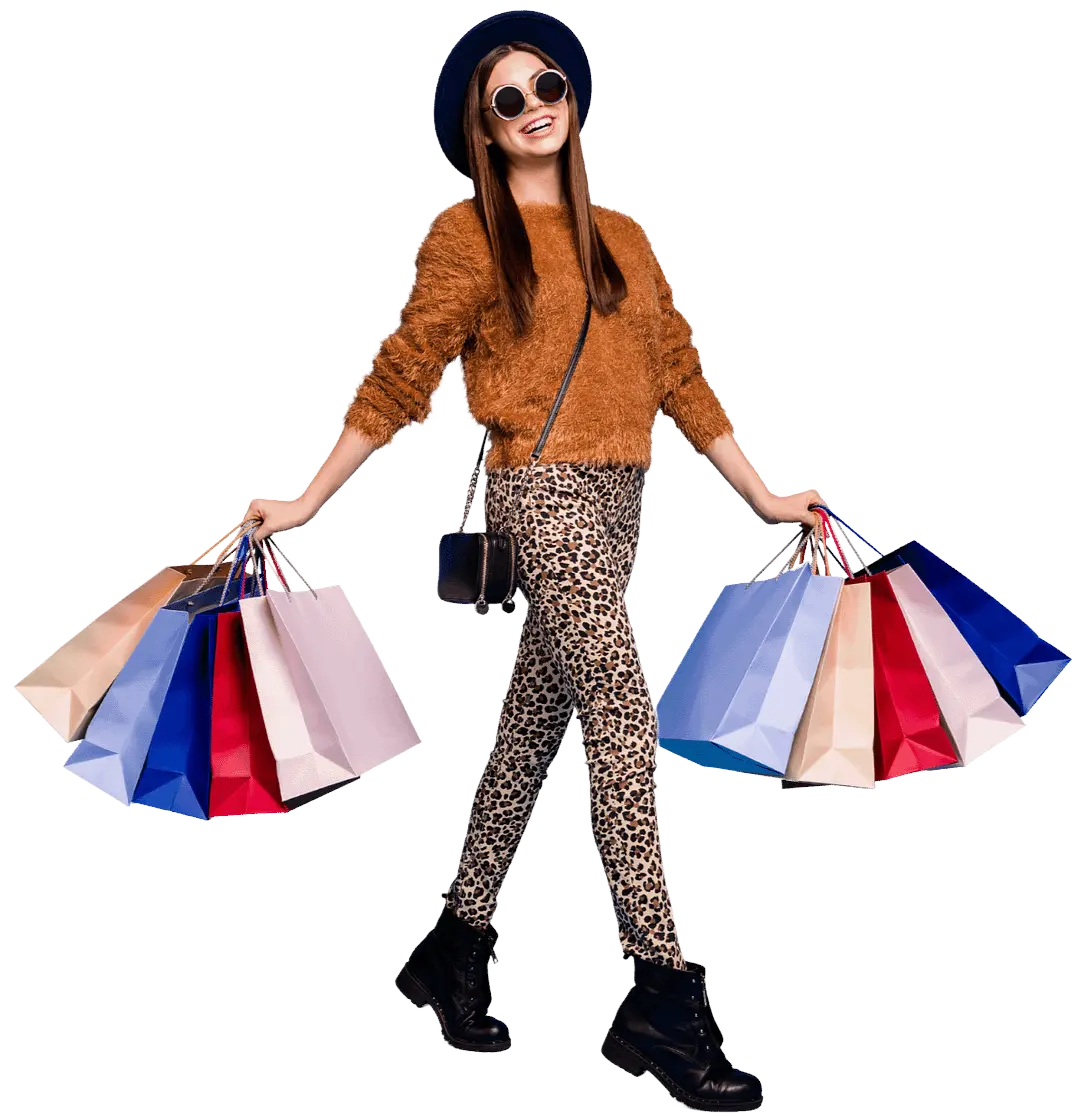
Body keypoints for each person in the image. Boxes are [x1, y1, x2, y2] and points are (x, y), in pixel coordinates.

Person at [243, 11, 821, 1112]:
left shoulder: (626, 236)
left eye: (543, 83)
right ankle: (658, 987)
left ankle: (453, 944)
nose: (530, 107)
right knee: (616, 697)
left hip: (620, 495)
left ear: (572, 91)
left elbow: (677, 373)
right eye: (502, 99)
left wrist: (760, 492)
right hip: (539, 490)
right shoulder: (467, 236)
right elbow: (403, 370)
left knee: (531, 728)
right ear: (477, 125)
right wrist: (308, 500)